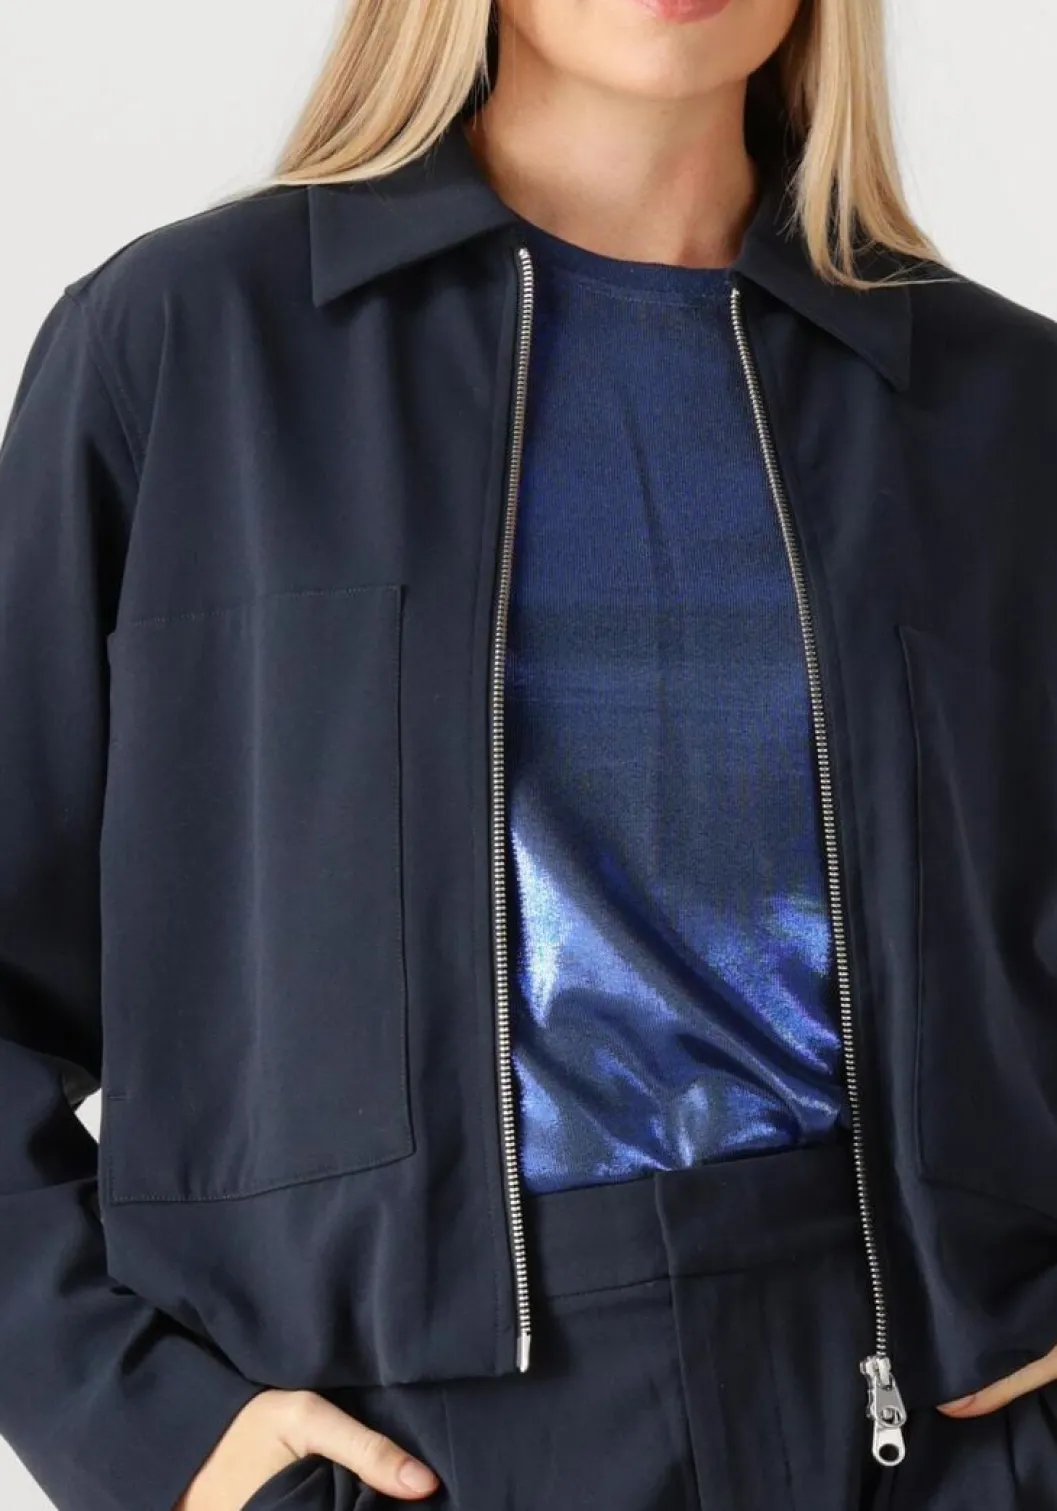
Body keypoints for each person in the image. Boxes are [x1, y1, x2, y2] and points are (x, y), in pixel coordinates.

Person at [3, 0, 1057, 1507]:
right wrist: (150, 1430)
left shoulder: (1000, 406)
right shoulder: (194, 346)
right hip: (406, 1431)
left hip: (930, 1409)